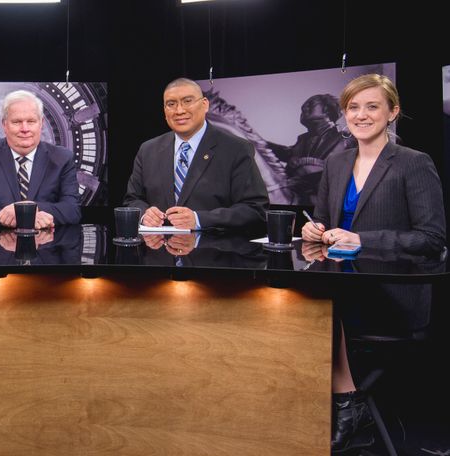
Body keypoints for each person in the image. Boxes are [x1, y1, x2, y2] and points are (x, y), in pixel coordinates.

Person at [301, 74, 446, 452]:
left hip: (395, 293)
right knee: (299, 305)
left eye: (372, 106)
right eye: (353, 107)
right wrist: (316, 232)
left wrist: (362, 240)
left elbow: (432, 241)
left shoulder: (413, 163)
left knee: (323, 309)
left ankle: (347, 406)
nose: (361, 115)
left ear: (393, 112)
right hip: (347, 283)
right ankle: (337, 404)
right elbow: (325, 224)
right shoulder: (335, 163)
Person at [124, 78, 268, 231]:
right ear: (164, 110)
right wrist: (145, 214)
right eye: (171, 104)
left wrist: (199, 219)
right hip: (159, 251)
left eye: (187, 101)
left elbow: (255, 210)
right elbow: (132, 200)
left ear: (205, 104)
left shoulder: (236, 149)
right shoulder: (147, 150)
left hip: (214, 251)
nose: (179, 110)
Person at [0, 90, 81, 229]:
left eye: (31, 121)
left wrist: (30, 210)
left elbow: (72, 210)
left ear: (41, 123)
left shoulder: (63, 158)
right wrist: (6, 216)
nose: (25, 129)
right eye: (17, 122)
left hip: (46, 247)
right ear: (4, 125)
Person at [267, 94, 356, 205]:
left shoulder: (347, 139)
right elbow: (287, 153)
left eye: (310, 104)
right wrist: (255, 140)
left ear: (327, 110)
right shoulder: (302, 140)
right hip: (297, 201)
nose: (304, 108)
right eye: (302, 108)